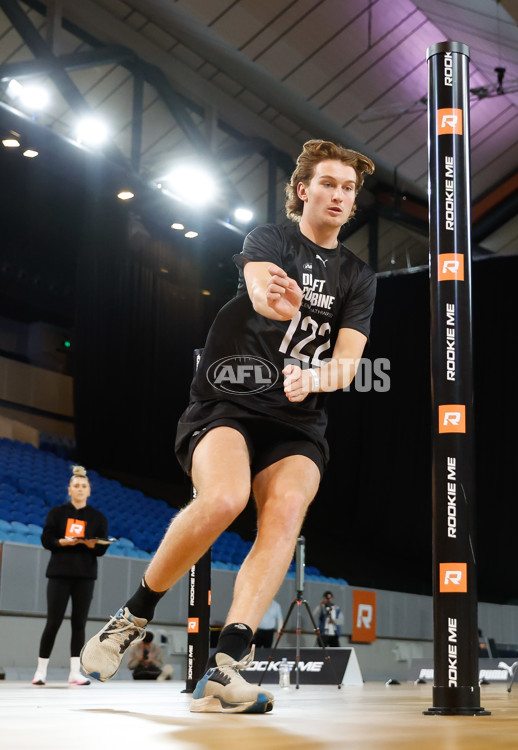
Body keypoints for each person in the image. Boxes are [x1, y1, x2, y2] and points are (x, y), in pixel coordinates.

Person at [81, 139, 376, 714]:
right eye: (330, 184)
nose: (340, 195)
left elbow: (347, 364)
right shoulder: (270, 240)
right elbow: (264, 290)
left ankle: (226, 668)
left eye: (349, 188)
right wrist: (283, 302)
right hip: (228, 403)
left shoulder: (358, 278)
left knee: (287, 510)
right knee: (224, 498)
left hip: (297, 419)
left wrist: (314, 380)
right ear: (303, 190)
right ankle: (132, 616)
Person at [32, 465, 108, 686]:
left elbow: (102, 549)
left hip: (85, 576)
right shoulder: (57, 513)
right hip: (59, 574)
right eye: (76, 486)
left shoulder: (98, 517)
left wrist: (93, 544)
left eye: (84, 486)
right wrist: (60, 542)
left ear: (89, 490)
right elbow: (46, 539)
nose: (80, 489)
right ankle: (40, 671)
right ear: (70, 489)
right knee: (53, 622)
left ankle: (75, 672)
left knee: (79, 623)